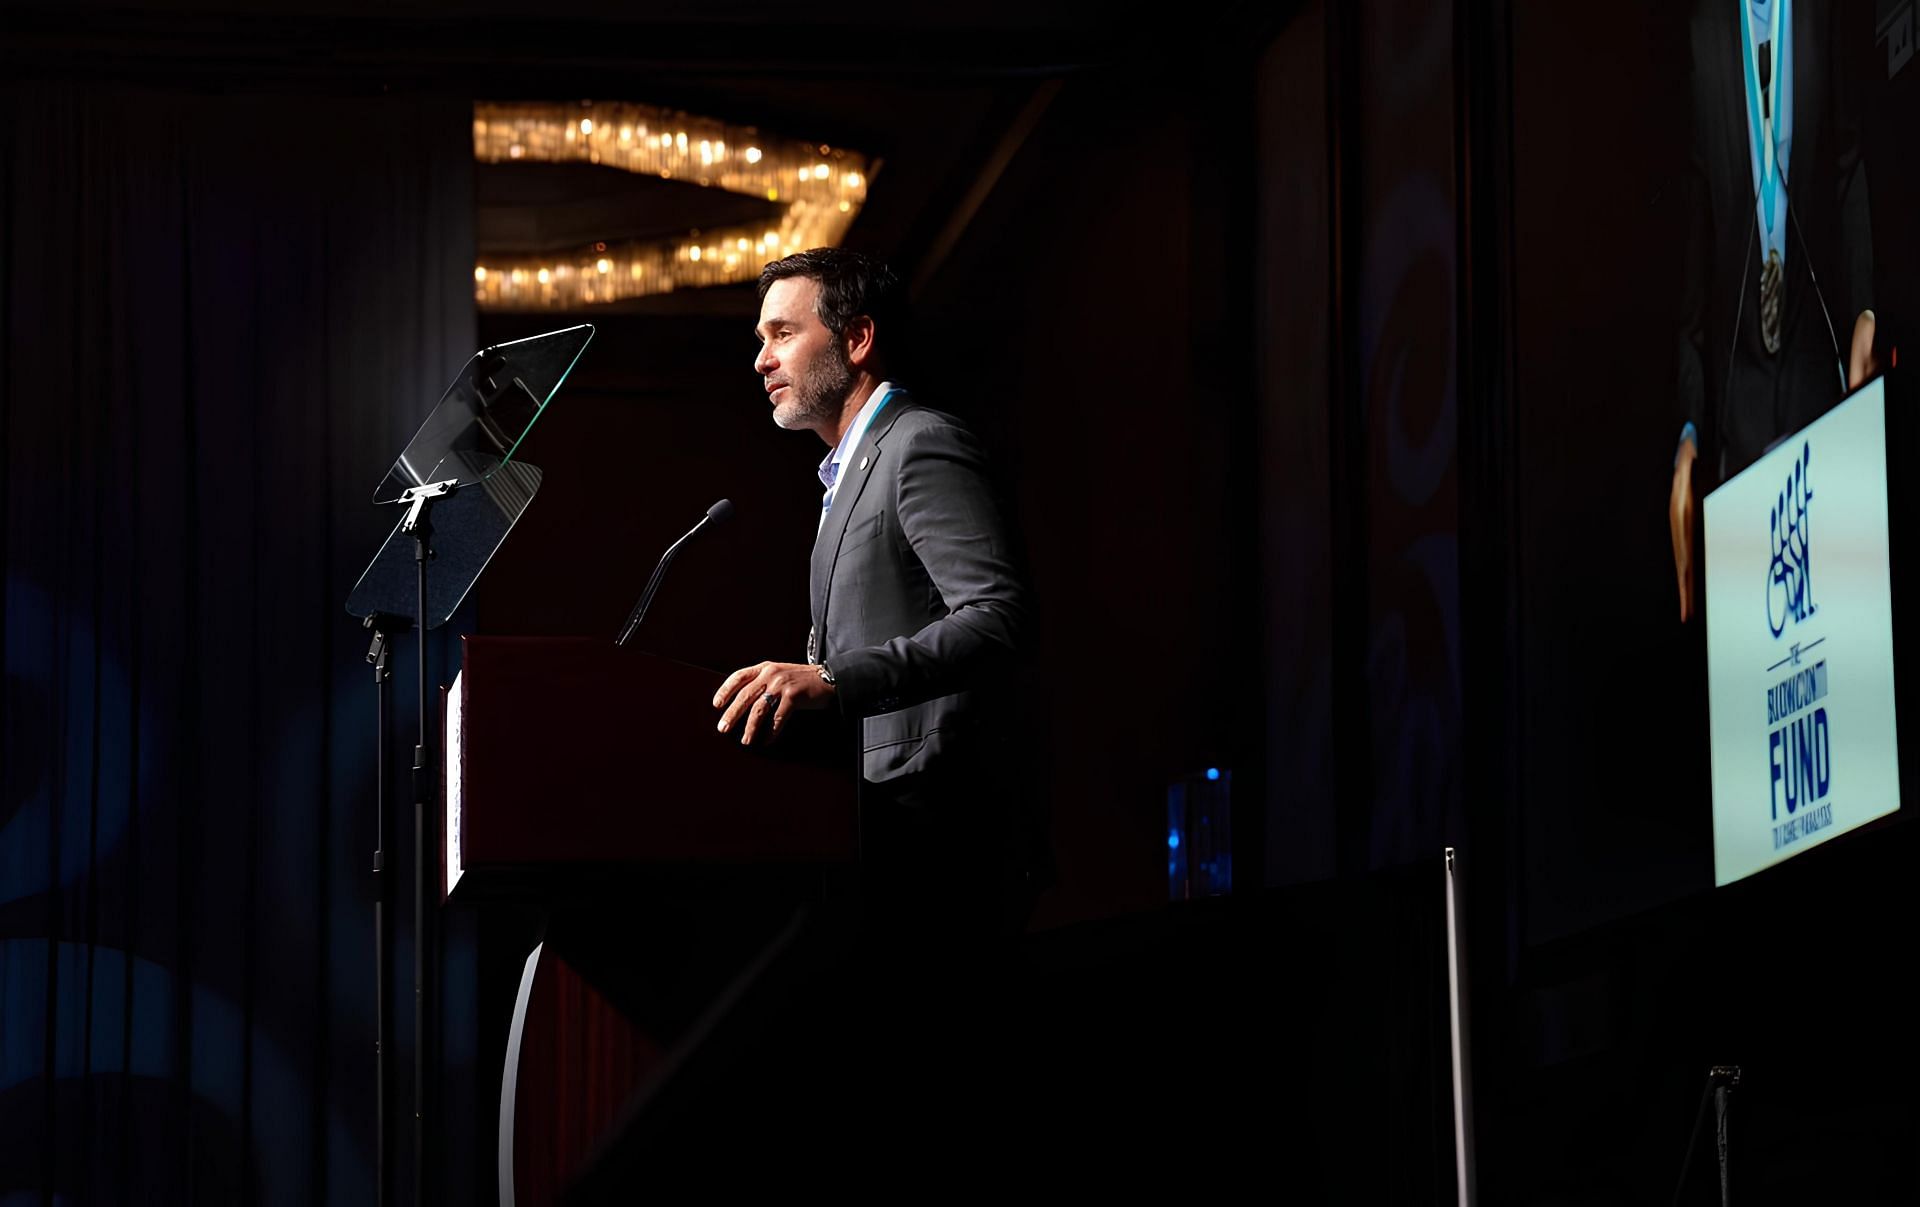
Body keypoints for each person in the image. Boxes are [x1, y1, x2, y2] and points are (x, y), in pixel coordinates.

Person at [710, 247, 1038, 946]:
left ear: (857, 339)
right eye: (760, 340)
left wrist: (833, 678)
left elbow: (996, 616)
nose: (762, 360)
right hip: (875, 832)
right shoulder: (850, 470)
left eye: (783, 334)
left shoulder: (918, 443)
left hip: (940, 841)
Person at [1669, 0, 1880, 622]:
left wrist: (1866, 309)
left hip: (1822, 376)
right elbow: (1695, 235)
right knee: (1764, 652)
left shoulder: (1821, 15)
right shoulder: (1703, 33)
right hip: (1743, 399)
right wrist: (1688, 429)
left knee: (1839, 629)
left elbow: (1848, 163)